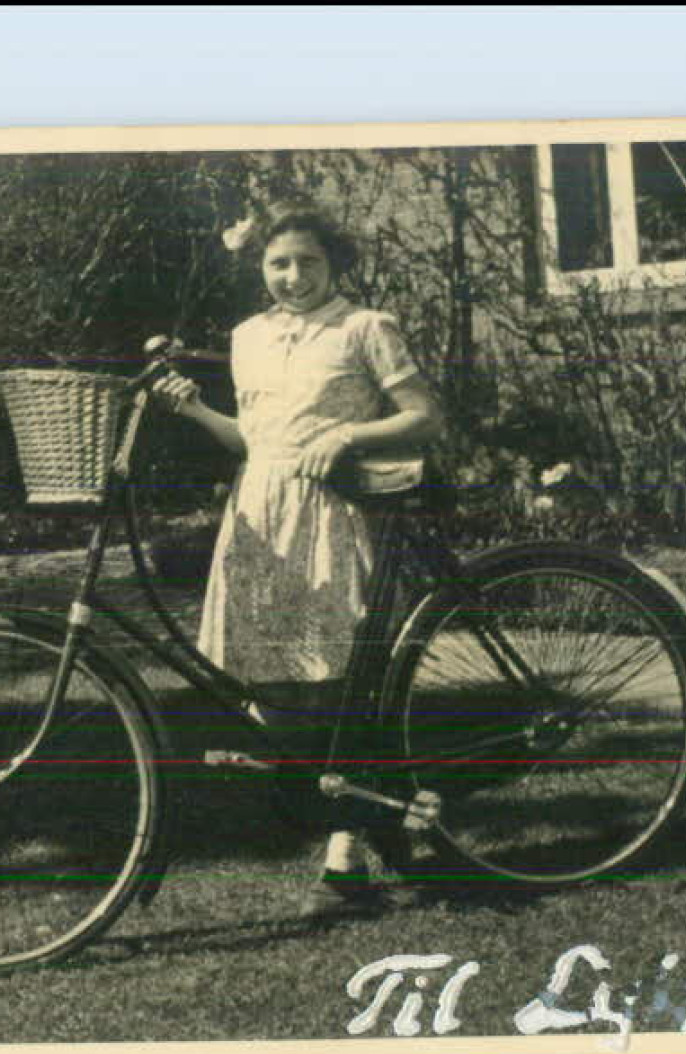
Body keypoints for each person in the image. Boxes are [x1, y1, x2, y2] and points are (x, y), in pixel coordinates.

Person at [154, 200, 444, 917]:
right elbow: (251, 441)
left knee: (336, 686)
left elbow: (425, 416)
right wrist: (193, 410)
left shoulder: (363, 326)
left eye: (308, 261)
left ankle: (344, 859)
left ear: (333, 263)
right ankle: (386, 815)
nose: (292, 276)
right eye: (278, 263)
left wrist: (347, 435)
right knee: (273, 692)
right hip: (258, 513)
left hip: (332, 515)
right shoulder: (248, 336)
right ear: (261, 268)